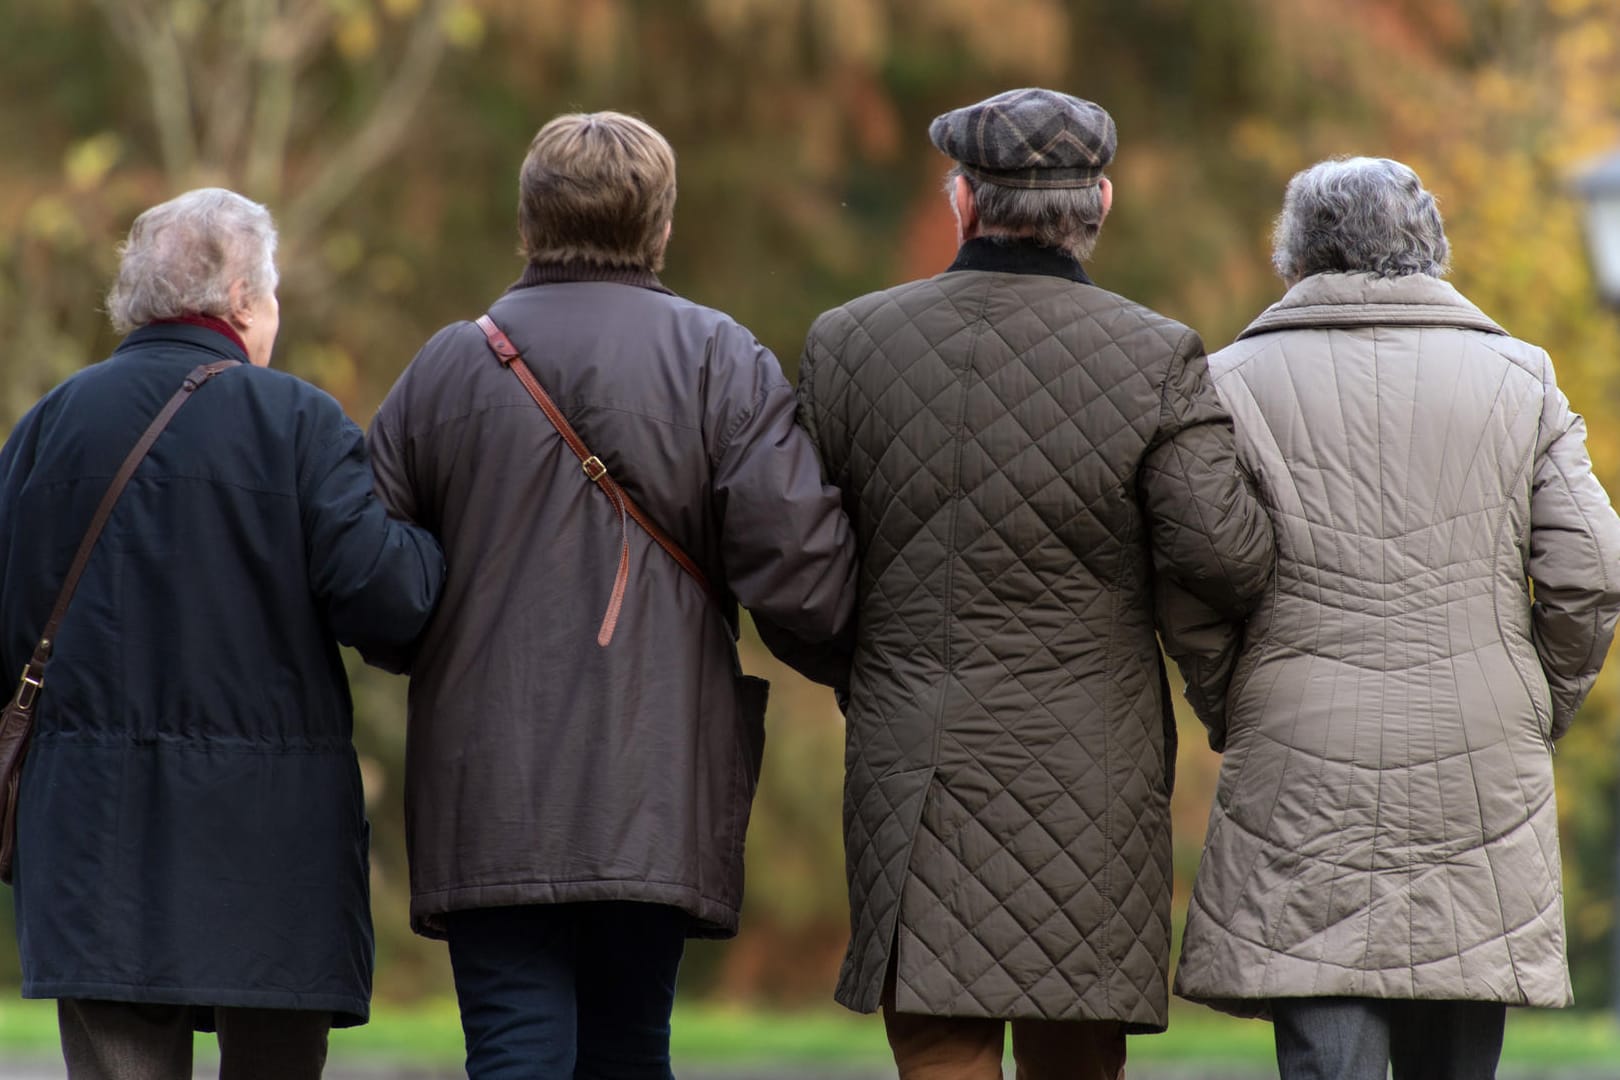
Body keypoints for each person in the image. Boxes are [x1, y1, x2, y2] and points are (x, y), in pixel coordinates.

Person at [769, 88, 1275, 1080]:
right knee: (1076, 1055)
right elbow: (1226, 556)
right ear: (1103, 204)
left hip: (913, 758)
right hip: (1091, 773)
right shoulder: (1156, 354)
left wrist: (865, 667)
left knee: (939, 1047)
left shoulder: (848, 343)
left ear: (962, 200)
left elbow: (788, 566)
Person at [366, 110, 857, 1079]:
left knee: (512, 1046)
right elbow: (806, 581)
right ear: (661, 224)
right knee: (633, 1044)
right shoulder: (721, 359)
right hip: (655, 766)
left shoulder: (446, 367)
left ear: (528, 220)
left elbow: (375, 589)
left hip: (486, 775)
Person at [1169, 156, 1620, 1080]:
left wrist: (1232, 697)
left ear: (1293, 256)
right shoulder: (1520, 376)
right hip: (1481, 746)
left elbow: (1190, 573)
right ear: (1432, 249)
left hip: (1297, 751)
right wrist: (1542, 700)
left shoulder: (1227, 381)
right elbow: (1592, 568)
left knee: (1326, 1048)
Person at [0, 187, 445, 1080]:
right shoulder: (299, 424)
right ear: (242, 299)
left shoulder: (47, 427)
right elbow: (391, 605)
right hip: (269, 856)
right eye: (273, 294)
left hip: (93, 844)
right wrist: (431, 539)